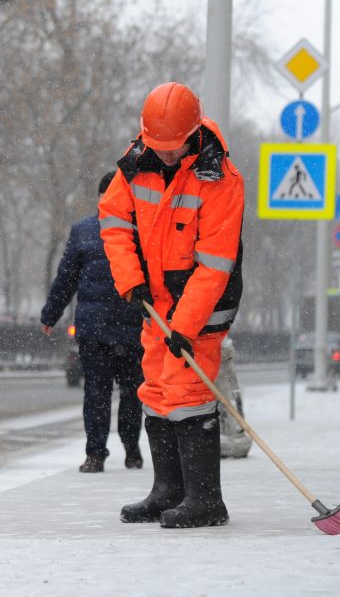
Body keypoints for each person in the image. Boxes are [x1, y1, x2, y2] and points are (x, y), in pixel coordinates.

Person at [98, 81, 244, 529]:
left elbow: (215, 265)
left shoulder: (220, 179)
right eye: (156, 145)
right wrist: (132, 280)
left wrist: (185, 324)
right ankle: (168, 492)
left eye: (172, 147)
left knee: (188, 390)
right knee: (156, 389)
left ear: (193, 134)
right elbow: (114, 220)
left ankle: (206, 500)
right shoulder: (135, 162)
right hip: (156, 300)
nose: (163, 155)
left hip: (204, 301)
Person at [40, 171, 145, 473]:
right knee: (131, 392)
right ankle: (131, 449)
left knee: (97, 392)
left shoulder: (84, 230)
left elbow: (66, 279)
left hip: (95, 328)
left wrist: (51, 314)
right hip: (130, 327)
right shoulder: (138, 229)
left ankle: (96, 455)